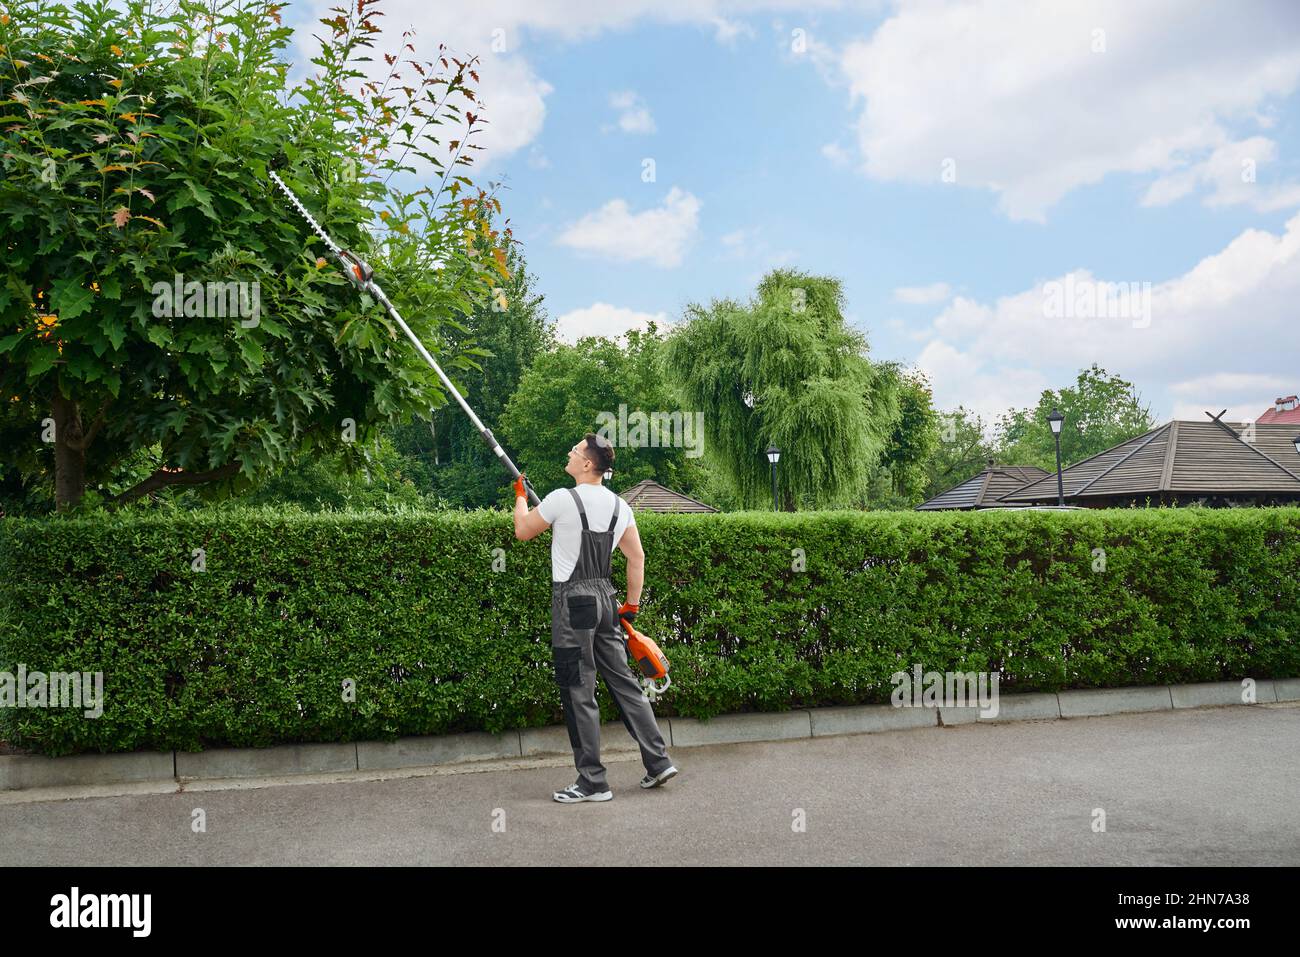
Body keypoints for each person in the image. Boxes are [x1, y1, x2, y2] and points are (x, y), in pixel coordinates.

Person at [513, 433, 678, 803]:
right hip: (607, 599)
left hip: (572, 604)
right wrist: (630, 607)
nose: (569, 454)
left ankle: (592, 782)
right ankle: (658, 761)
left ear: (588, 464)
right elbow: (637, 559)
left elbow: (523, 531)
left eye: (574, 451)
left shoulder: (561, 499)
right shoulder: (621, 507)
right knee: (626, 685)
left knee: (578, 689)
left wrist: (520, 496)